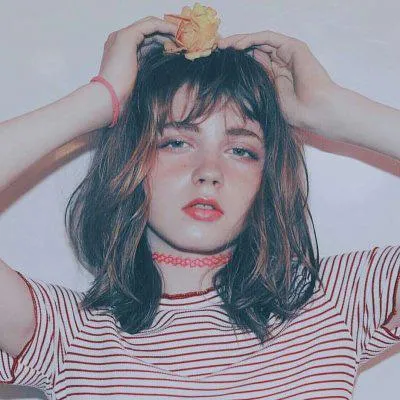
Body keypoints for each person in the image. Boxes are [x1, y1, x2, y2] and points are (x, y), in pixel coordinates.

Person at [0, 12, 399, 400]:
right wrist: (101, 99)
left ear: (267, 177)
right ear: (130, 162)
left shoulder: (336, 299)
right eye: (176, 143)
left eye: (241, 150)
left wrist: (334, 108)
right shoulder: (66, 335)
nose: (209, 172)